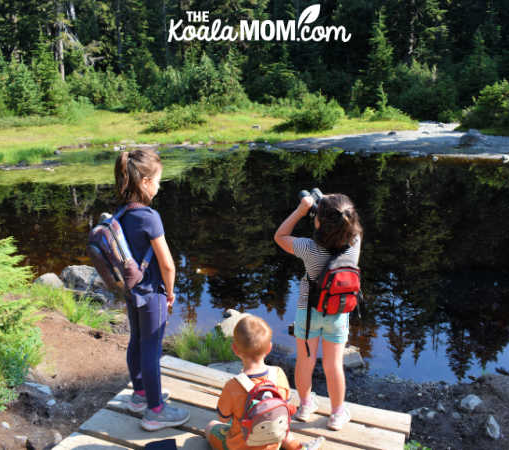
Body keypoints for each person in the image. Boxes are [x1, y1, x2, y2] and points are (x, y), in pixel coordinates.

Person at [115, 149, 190, 431]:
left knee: (136, 341)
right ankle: (156, 410)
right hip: (151, 292)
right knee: (152, 348)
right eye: (158, 180)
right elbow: (167, 264)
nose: (159, 185)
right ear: (145, 182)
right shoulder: (150, 216)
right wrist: (169, 292)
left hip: (132, 291)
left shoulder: (122, 212)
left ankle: (140, 394)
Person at [274, 193, 362, 431]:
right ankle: (336, 414)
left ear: (318, 223)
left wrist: (302, 210)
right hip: (338, 313)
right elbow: (345, 217)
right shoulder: (355, 243)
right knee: (334, 364)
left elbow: (280, 236)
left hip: (308, 312)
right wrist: (329, 204)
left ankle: (305, 406)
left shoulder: (309, 248)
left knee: (305, 360)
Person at [205, 315, 324, 450]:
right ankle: (299, 447)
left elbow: (223, 419)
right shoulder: (279, 374)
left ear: (235, 350)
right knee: (282, 429)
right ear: (269, 348)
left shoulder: (233, 385)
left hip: (240, 446)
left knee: (211, 426)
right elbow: (284, 406)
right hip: (273, 442)